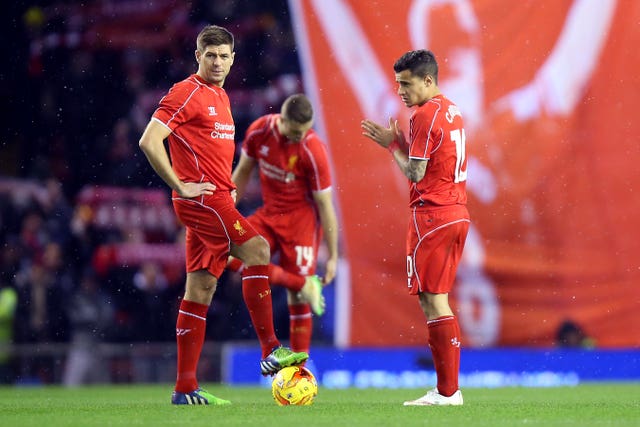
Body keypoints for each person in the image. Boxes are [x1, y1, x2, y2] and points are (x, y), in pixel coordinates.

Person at [138, 25, 316, 405]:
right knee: (258, 250)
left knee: (200, 289)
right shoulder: (187, 92)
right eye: (210, 55)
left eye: (223, 56)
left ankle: (184, 388)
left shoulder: (220, 96)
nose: (217, 62)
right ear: (197, 57)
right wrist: (180, 184)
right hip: (202, 199)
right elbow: (150, 140)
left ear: (233, 59)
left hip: (218, 197)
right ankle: (271, 349)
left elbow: (209, 150)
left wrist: (229, 184)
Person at [361, 49, 470, 406]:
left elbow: (415, 172)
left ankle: (448, 392)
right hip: (456, 211)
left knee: (434, 301)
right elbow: (436, 157)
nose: (401, 92)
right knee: (435, 299)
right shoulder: (451, 109)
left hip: (432, 215)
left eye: (406, 84)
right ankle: (447, 390)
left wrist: (392, 146)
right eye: (397, 85)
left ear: (428, 80)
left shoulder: (423, 115)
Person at [228, 93, 338, 356]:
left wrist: (333, 255)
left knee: (297, 301)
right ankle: (303, 283)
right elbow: (243, 172)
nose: (302, 136)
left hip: (301, 223)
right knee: (228, 253)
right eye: (297, 131)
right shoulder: (259, 131)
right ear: (283, 120)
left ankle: (298, 374)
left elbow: (325, 205)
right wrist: (226, 212)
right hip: (268, 215)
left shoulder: (314, 150)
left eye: (306, 130)